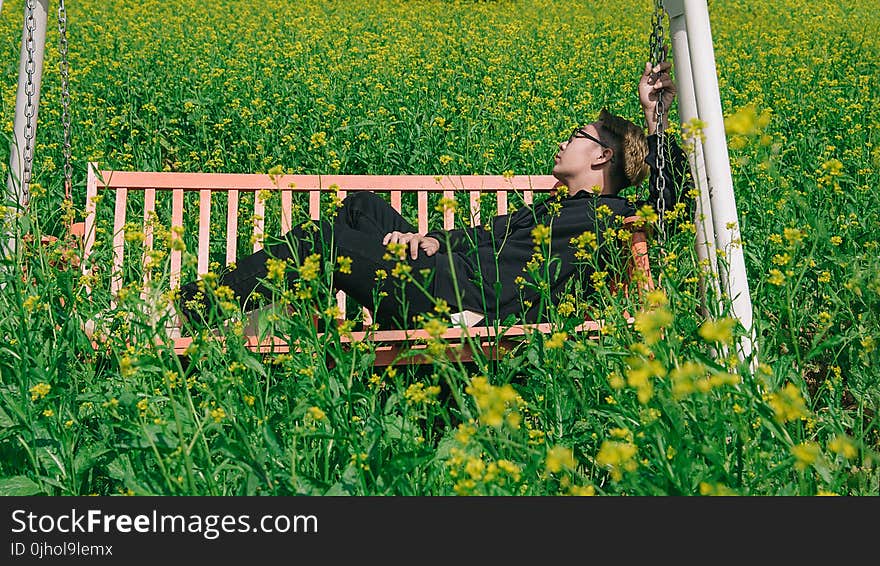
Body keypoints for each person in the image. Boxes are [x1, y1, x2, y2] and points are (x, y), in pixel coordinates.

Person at [179, 60, 691, 331]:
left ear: (602, 157)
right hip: (447, 275)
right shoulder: (553, 206)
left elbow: (675, 207)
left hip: (463, 304)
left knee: (325, 239)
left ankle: (192, 311)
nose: (563, 141)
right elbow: (480, 235)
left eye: (578, 135)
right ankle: (278, 308)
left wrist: (653, 117)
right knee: (363, 207)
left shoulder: (611, 215)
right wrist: (426, 238)